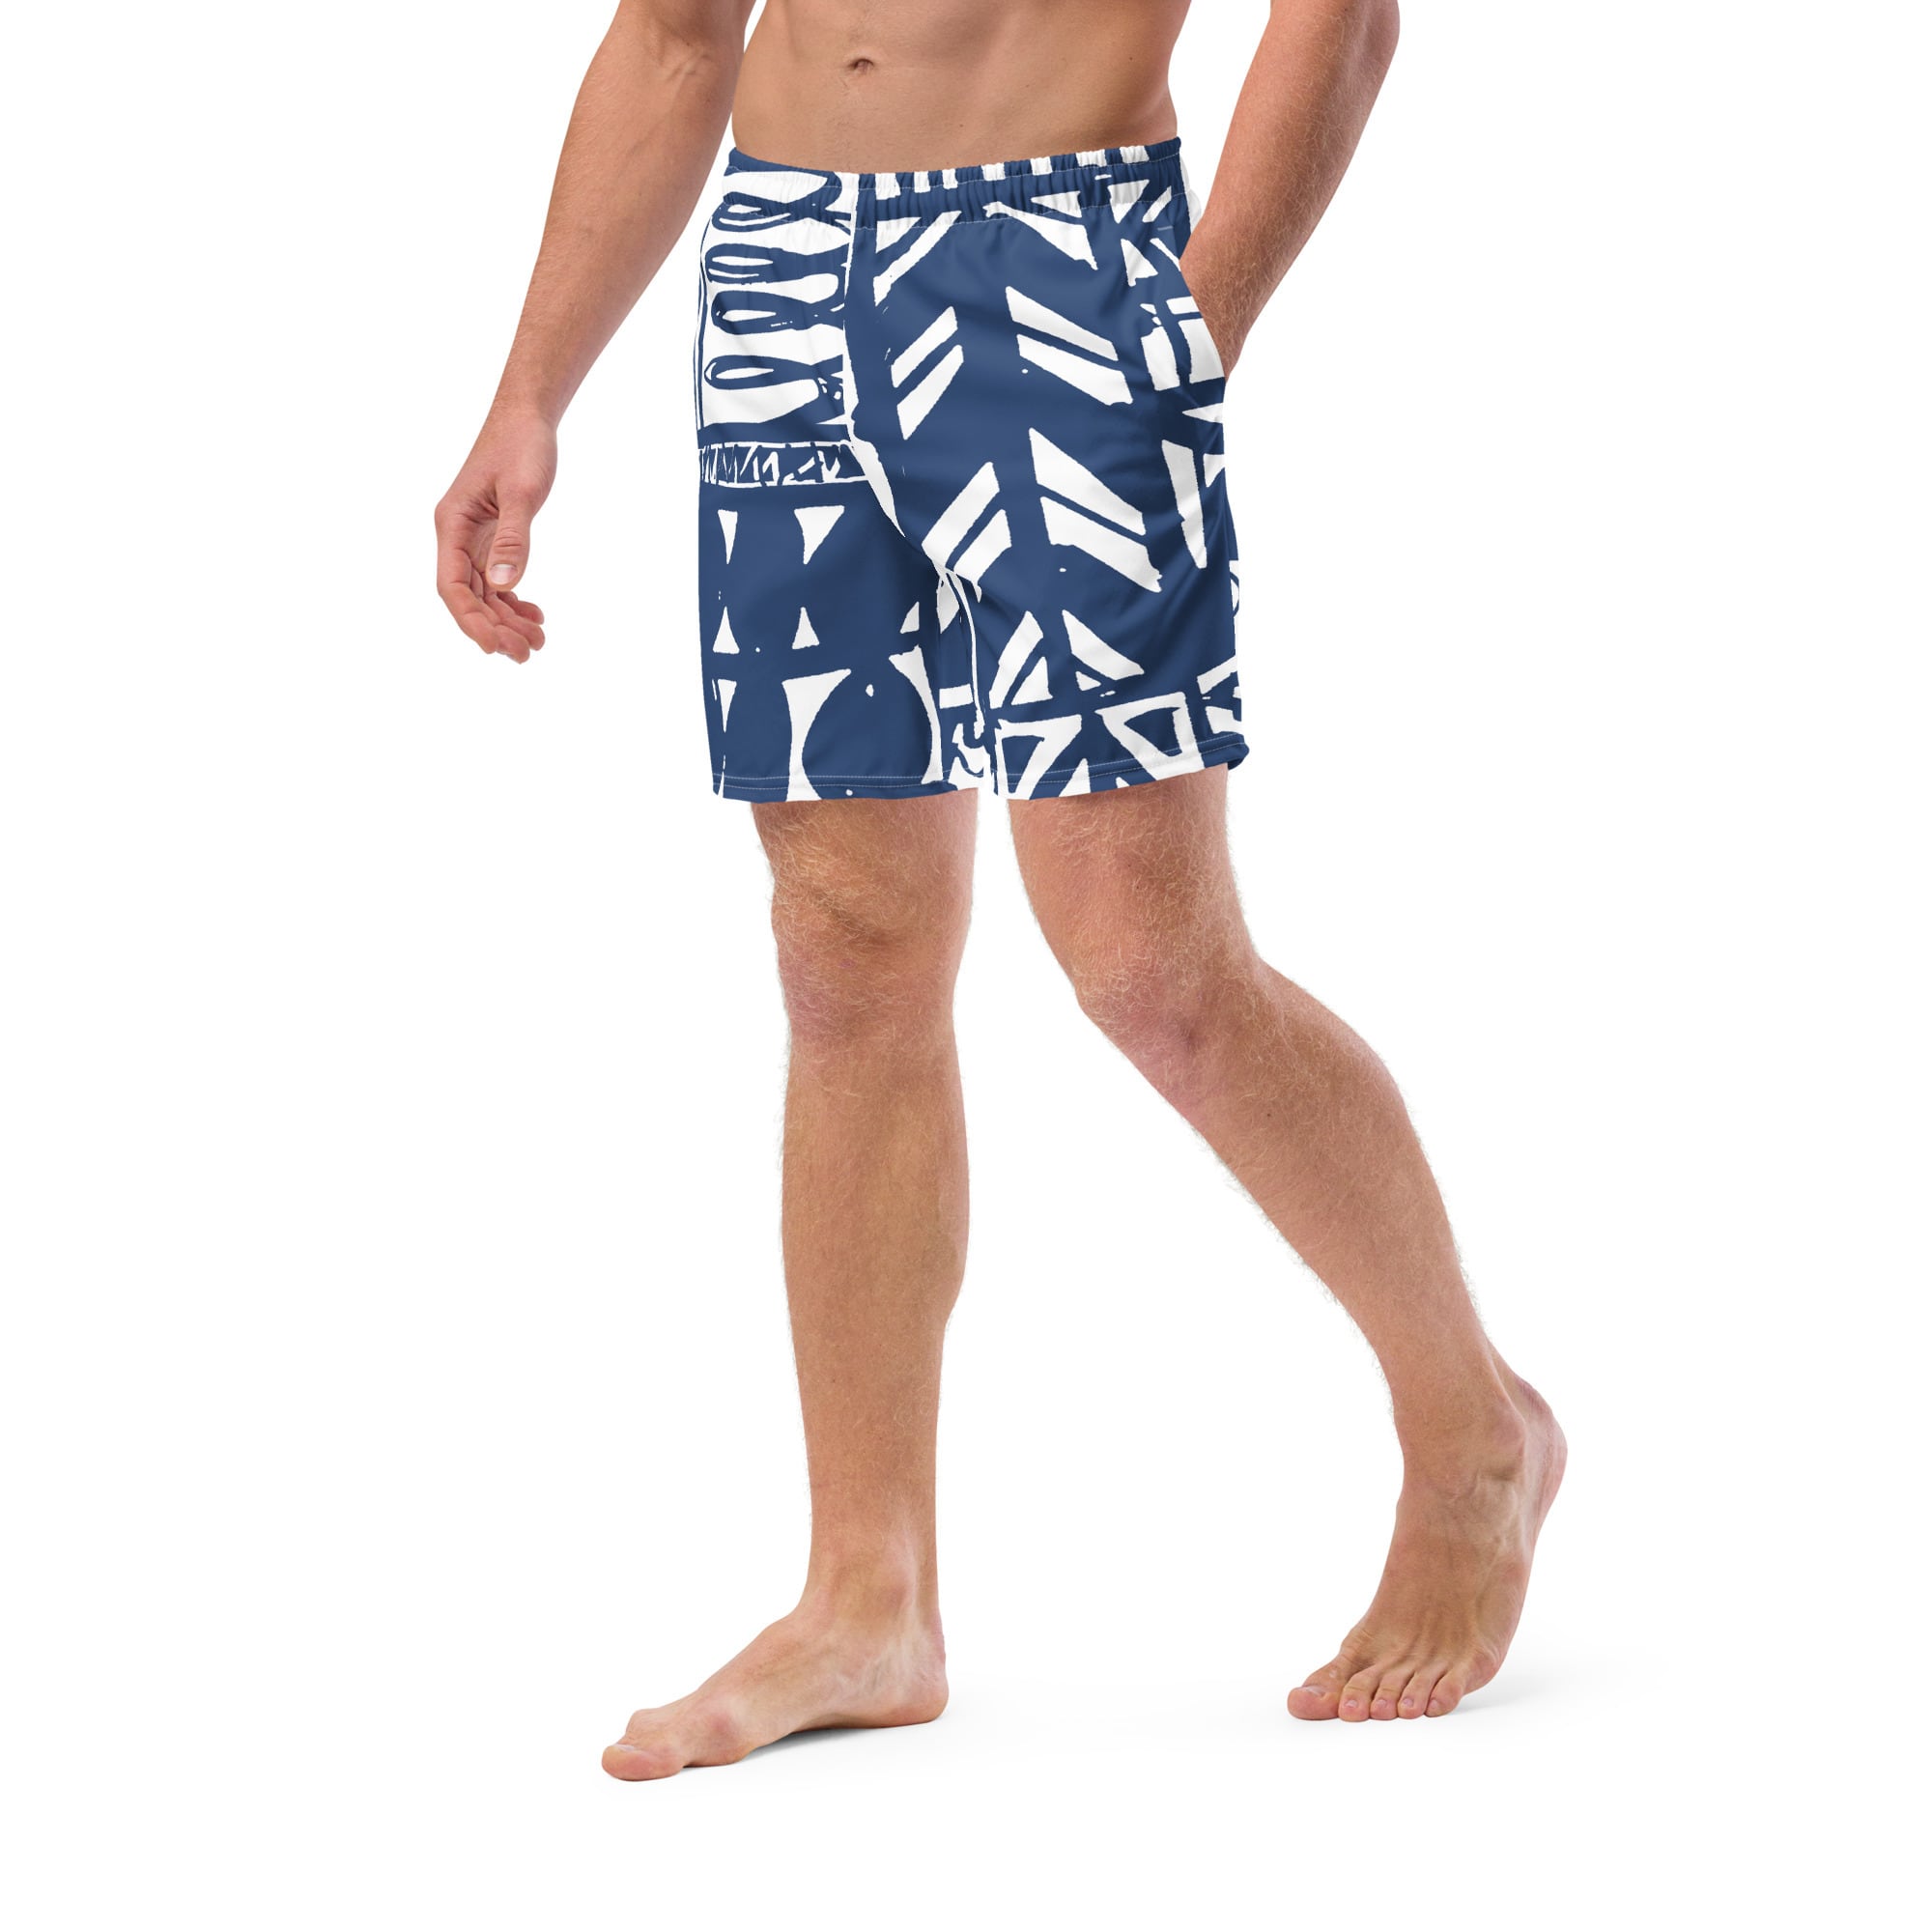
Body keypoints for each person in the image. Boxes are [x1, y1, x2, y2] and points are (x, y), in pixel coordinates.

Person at [434, 0, 1564, 1780]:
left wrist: (1191, 327)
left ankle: (1474, 1430)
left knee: (1152, 970)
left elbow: (1343, 13)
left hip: (1063, 259)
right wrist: (531, 390)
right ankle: (866, 1597)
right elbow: (671, 37)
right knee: (846, 959)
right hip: (784, 276)